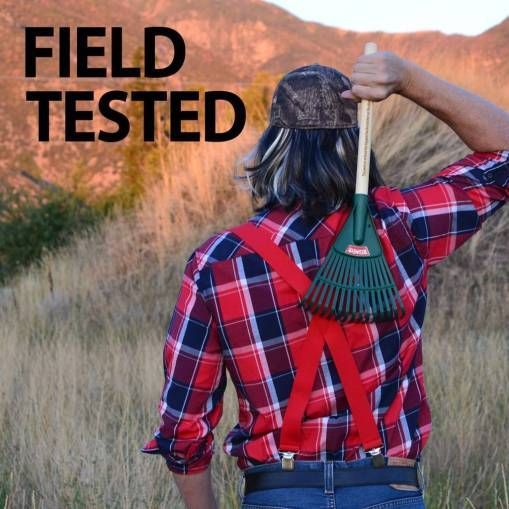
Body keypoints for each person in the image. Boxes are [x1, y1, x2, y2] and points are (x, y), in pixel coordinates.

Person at [140, 48, 509, 509]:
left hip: (277, 493)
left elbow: (183, 426)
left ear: (272, 148)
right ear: (355, 145)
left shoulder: (217, 263)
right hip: (387, 491)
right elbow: (503, 152)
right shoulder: (403, 225)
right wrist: (411, 80)